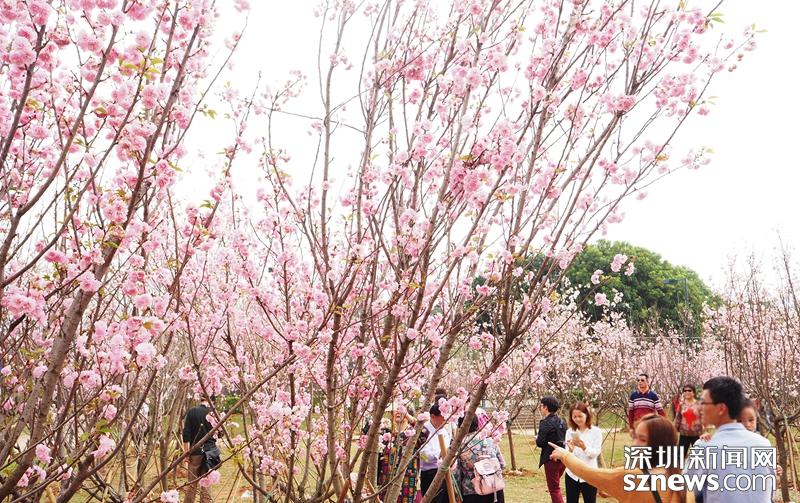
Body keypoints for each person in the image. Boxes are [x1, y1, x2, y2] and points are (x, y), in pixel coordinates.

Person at [549, 414, 689, 503]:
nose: (634, 444)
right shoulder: (681, 481)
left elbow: (587, 473)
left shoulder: (633, 477)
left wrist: (564, 455)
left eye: (642, 439)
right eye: (635, 437)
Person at [684, 377, 774, 503]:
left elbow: (686, 491)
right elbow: (769, 491)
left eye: (703, 403)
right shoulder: (763, 444)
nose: (699, 408)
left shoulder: (704, 447)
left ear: (721, 408)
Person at [377, 405, 424, 503]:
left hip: (406, 483)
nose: (398, 412)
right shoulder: (388, 435)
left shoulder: (413, 434)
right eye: (396, 410)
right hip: (386, 483)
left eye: (401, 409)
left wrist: (408, 416)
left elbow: (424, 432)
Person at [455, 415, 506, 503]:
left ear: (461, 426)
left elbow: (456, 474)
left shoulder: (460, 446)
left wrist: (457, 494)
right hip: (494, 487)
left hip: (472, 490)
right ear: (477, 424)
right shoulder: (490, 440)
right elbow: (502, 464)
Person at [564, 402, 602, 503]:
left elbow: (595, 453)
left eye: (580, 416)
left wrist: (584, 447)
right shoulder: (569, 432)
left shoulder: (596, 432)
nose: (577, 419)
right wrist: (570, 450)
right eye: (574, 416)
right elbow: (566, 455)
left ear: (587, 415)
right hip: (572, 474)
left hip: (589, 474)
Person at [182, 396, 218, 503]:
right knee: (207, 484)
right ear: (212, 401)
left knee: (191, 484)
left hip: (195, 452)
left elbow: (186, 434)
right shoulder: (214, 413)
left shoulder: (192, 412)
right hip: (210, 453)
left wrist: (186, 453)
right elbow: (220, 434)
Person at [419, 396, 450, 503]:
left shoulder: (444, 431)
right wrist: (440, 454)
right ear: (433, 416)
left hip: (445, 472)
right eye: (442, 417)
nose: (445, 420)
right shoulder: (423, 431)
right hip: (430, 473)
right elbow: (423, 455)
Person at [536, 396, 567, 503]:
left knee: (554, 489)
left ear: (546, 407)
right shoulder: (562, 421)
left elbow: (540, 442)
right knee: (556, 486)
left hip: (551, 458)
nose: (540, 408)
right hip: (563, 457)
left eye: (541, 405)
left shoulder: (545, 423)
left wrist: (537, 439)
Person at [674, 384, 703, 453]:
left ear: (694, 392)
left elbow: (703, 418)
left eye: (689, 390)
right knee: (680, 455)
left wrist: (704, 432)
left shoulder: (699, 404)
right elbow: (678, 418)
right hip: (684, 434)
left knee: (698, 455)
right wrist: (674, 430)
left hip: (697, 434)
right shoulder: (681, 405)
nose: (687, 392)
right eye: (685, 391)